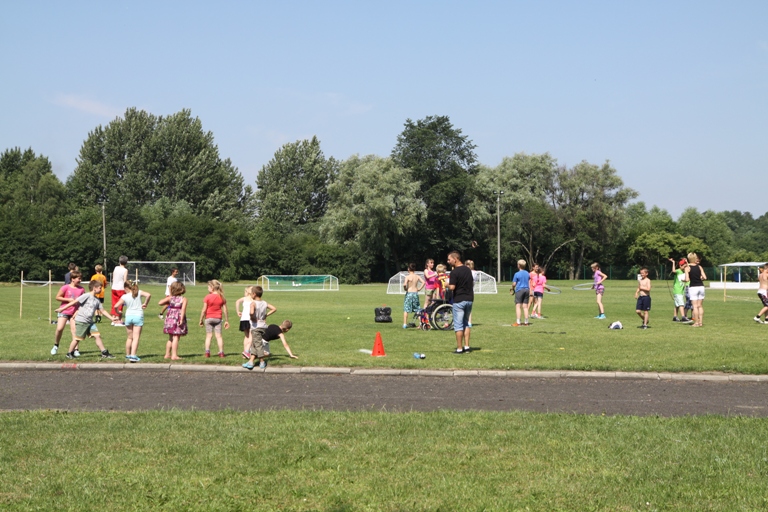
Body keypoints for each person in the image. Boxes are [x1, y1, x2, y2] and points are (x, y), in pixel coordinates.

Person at [55, 279, 117, 359]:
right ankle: (69, 353)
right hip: (81, 321)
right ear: (94, 288)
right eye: (100, 288)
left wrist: (111, 318)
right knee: (77, 339)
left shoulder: (97, 300)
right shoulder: (86, 296)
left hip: (90, 322)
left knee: (97, 335)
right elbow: (74, 302)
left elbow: (103, 311)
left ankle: (104, 352)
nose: (101, 290)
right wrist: (62, 309)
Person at [114, 280, 151, 362]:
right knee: (136, 338)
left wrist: (118, 312)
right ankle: (133, 355)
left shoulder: (124, 296)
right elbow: (148, 295)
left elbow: (116, 306)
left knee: (129, 337)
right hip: (138, 316)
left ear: (126, 288)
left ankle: (128, 354)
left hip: (128, 317)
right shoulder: (139, 292)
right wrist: (145, 303)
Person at [51, 270, 84, 356]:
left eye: (81, 279)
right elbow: (57, 297)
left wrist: (78, 310)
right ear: (73, 279)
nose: (80, 280)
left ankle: (75, 350)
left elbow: (83, 301)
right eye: (79, 278)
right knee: (59, 329)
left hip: (75, 312)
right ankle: (56, 345)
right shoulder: (65, 287)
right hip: (64, 311)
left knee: (74, 331)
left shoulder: (81, 289)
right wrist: (68, 300)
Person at [448, 251, 473, 354]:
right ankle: (467, 346)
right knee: (466, 323)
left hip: (459, 300)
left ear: (455, 259)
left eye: (449, 259)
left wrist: (446, 285)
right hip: (469, 299)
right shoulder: (468, 270)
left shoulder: (454, 272)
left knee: (458, 325)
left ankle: (459, 348)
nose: (448, 261)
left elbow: (452, 287)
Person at [199, 279, 229, 357]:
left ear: (212, 287)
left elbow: (204, 310)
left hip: (208, 318)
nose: (207, 288)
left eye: (208, 287)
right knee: (219, 336)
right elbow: (225, 310)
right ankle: (221, 352)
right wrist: (226, 320)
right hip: (218, 319)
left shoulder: (207, 297)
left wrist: (201, 319)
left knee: (209, 336)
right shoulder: (221, 297)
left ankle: (207, 352)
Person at [159, 281, 188, 360]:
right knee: (176, 337)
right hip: (178, 318)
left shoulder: (170, 298)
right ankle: (174, 355)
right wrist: (181, 319)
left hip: (170, 319)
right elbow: (183, 310)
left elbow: (160, 303)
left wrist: (170, 296)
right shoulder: (183, 299)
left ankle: (167, 354)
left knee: (170, 337)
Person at [246, 285, 276, 356]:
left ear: (254, 294)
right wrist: (266, 315)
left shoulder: (253, 303)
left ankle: (261, 359)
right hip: (263, 325)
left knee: (257, 344)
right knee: (256, 343)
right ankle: (252, 359)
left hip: (256, 326)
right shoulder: (264, 303)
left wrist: (252, 317)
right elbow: (274, 308)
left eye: (251, 293)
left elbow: (251, 312)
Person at [685, 252, 707, 327]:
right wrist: (699, 278)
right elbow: (704, 277)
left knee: (695, 306)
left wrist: (684, 280)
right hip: (701, 287)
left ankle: (696, 322)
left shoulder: (687, 268)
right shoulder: (699, 267)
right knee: (700, 306)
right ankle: (700, 322)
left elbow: (687, 279)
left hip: (693, 287)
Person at [669, 258, 692, 323]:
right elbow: (673, 271)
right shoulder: (678, 271)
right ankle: (683, 317)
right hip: (677, 290)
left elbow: (689, 269)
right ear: (680, 266)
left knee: (677, 305)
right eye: (684, 266)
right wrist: (673, 262)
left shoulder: (685, 271)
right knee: (681, 304)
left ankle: (675, 317)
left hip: (681, 290)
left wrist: (686, 262)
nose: (685, 267)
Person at [402, 263, 425, 328]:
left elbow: (404, 284)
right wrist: (419, 288)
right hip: (415, 293)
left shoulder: (407, 277)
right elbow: (423, 282)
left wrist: (405, 288)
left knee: (406, 309)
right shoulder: (417, 276)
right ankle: (421, 323)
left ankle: (405, 324)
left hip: (409, 293)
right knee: (417, 309)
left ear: (408, 269)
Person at [510, 260, 531, 326]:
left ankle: (518, 322)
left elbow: (514, 284)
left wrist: (512, 288)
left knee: (518, 306)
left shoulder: (517, 274)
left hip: (519, 290)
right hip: (527, 290)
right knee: (525, 307)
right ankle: (526, 322)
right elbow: (529, 281)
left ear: (519, 265)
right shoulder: (527, 273)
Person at [236, 286, 254, 358]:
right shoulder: (253, 299)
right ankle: (247, 351)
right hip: (250, 319)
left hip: (243, 319)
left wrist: (238, 311)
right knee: (251, 336)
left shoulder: (244, 298)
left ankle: (245, 352)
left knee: (246, 336)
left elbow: (237, 301)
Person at [111, 255, 128, 327]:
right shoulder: (125, 270)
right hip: (121, 288)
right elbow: (125, 280)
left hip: (114, 287)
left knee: (114, 303)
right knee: (120, 304)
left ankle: (113, 319)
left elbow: (113, 278)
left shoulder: (116, 268)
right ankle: (118, 320)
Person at [465, 260, 478, 326]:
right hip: (468, 291)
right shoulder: (472, 272)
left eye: (468, 264)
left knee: (468, 308)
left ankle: (469, 322)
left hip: (468, 291)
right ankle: (467, 321)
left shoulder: (473, 273)